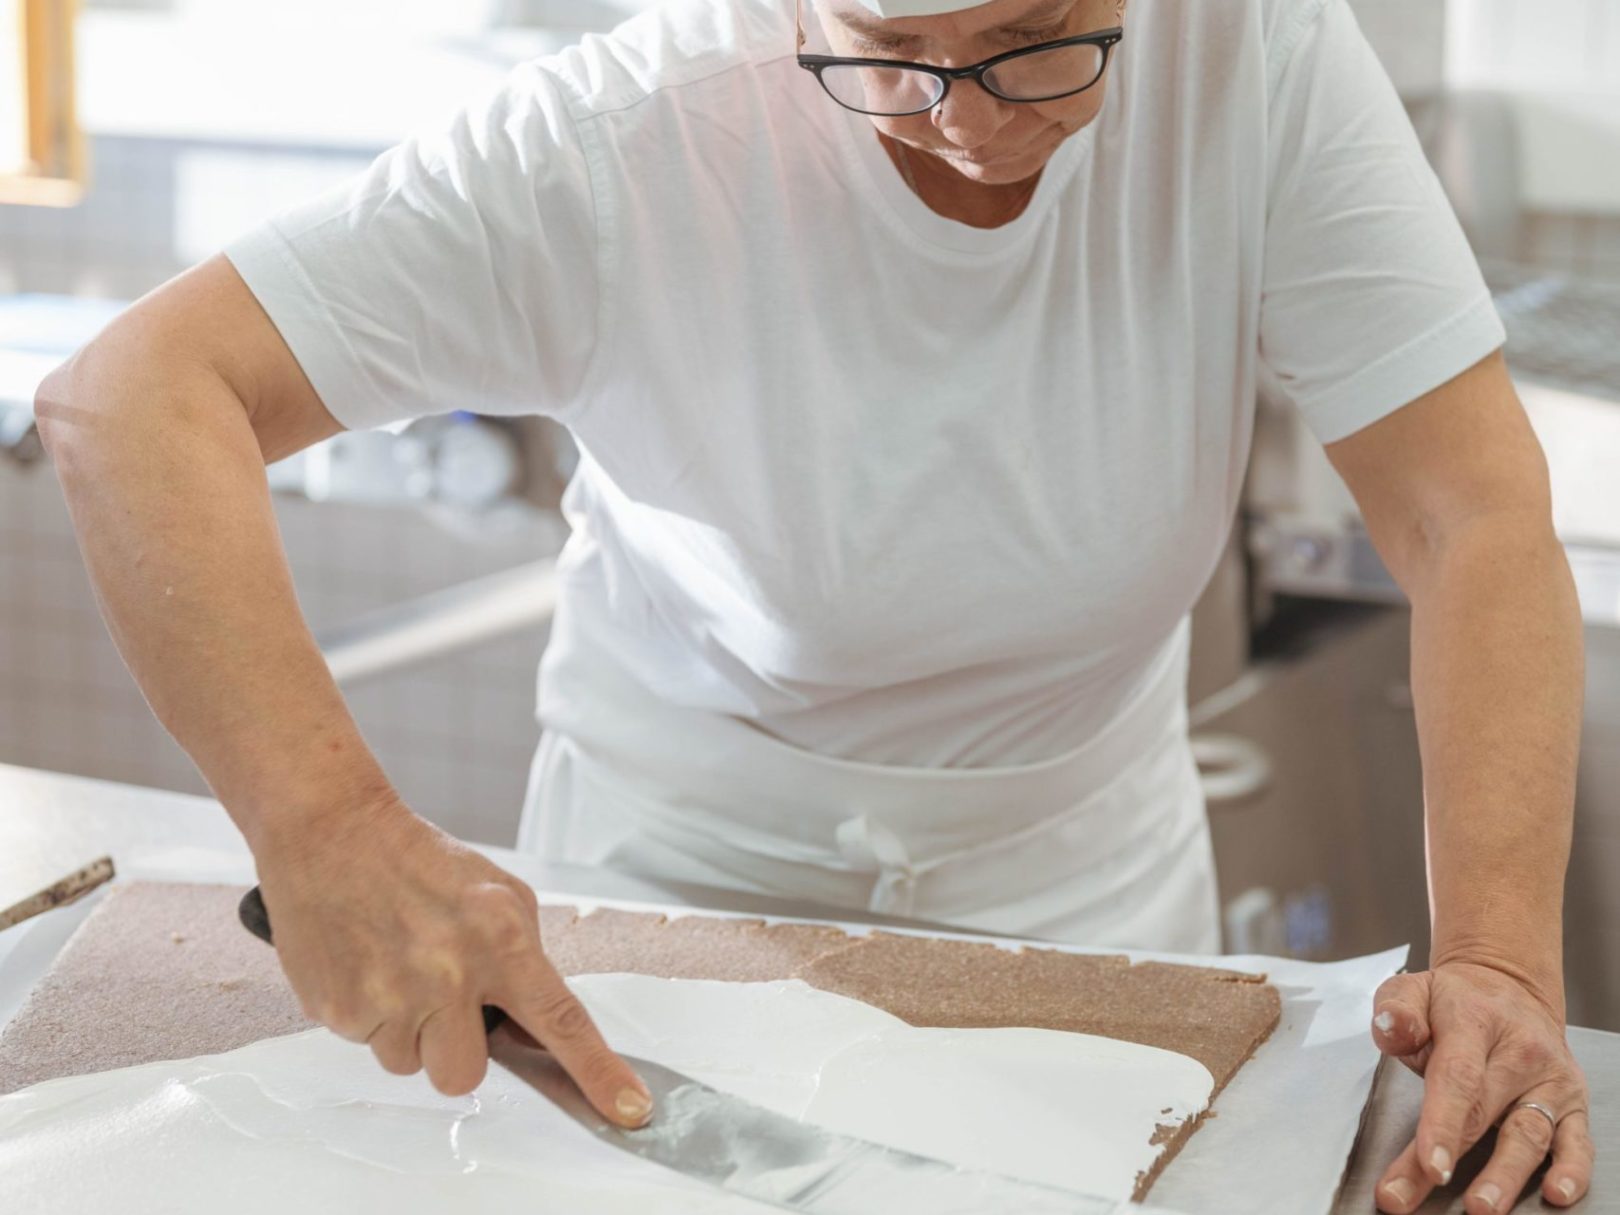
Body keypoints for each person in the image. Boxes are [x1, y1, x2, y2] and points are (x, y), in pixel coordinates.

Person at [34, 0, 1594, 1208]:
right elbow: (135, 392)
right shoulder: (622, 138)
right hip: (674, 915)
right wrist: (326, 828)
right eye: (893, 53)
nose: (971, 121)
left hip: (1092, 900)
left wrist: (1508, 964)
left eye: (1038, 42)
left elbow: (1468, 513)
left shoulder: (1252, 52)